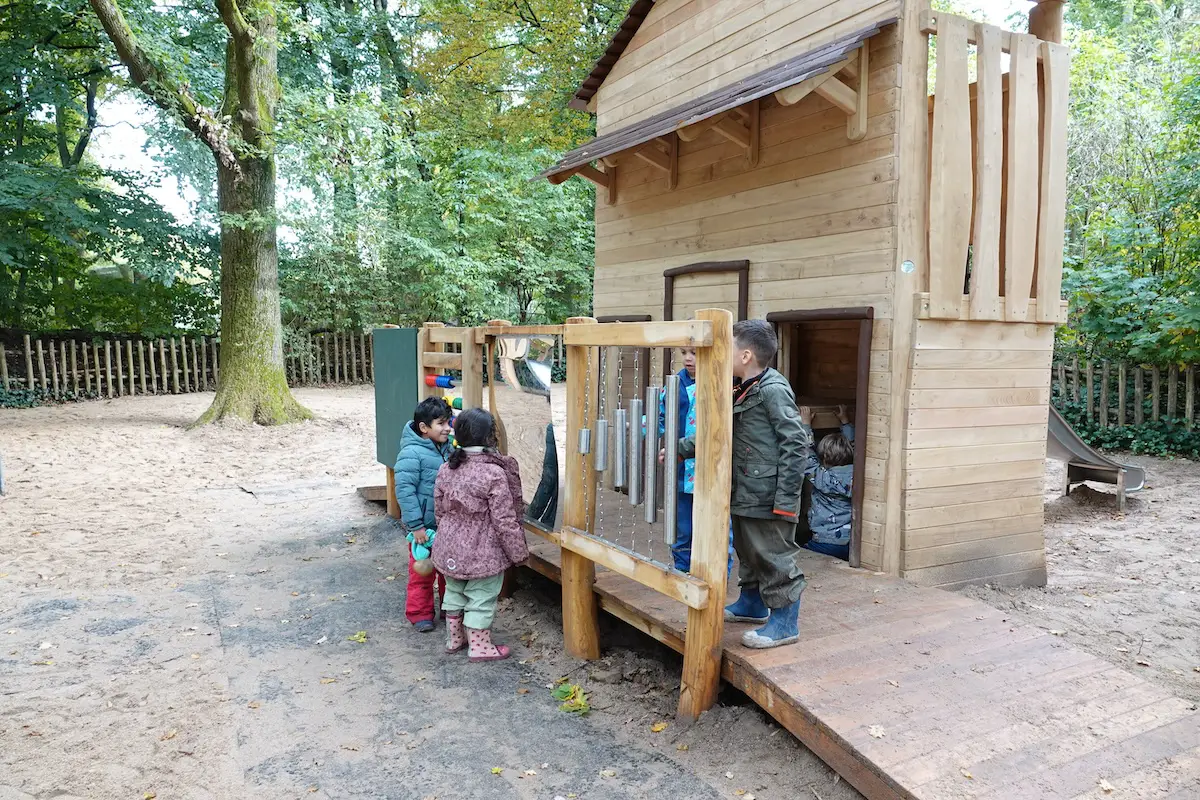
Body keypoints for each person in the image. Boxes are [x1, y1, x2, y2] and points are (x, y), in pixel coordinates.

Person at [680, 319, 810, 649]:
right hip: (744, 489)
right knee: (749, 551)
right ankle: (752, 603)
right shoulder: (741, 388)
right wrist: (680, 448)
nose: (725, 353)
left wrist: (786, 499)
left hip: (768, 493)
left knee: (773, 554)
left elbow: (796, 443)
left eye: (730, 347)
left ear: (746, 355)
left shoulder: (772, 390)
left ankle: (785, 623)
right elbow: (722, 432)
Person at [432, 408, 528, 662]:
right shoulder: (493, 473)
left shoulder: (446, 468)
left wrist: (448, 534)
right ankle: (479, 646)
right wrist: (518, 552)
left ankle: (454, 638)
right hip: (482, 551)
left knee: (454, 590)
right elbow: (504, 519)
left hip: (448, 546)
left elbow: (439, 508)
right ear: (490, 438)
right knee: (481, 596)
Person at [394, 397, 454, 632]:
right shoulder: (411, 454)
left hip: (446, 526)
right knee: (422, 571)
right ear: (424, 428)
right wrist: (416, 525)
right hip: (423, 529)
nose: (447, 428)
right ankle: (420, 613)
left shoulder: (447, 449)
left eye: (448, 422)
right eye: (441, 423)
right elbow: (405, 491)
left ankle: (451, 609)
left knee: (450, 571)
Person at [799, 405, 855, 562]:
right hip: (851, 543)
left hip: (826, 542)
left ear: (823, 458)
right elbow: (856, 447)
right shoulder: (858, 473)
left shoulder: (824, 478)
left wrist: (805, 425)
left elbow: (806, 455)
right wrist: (845, 422)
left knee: (800, 558)